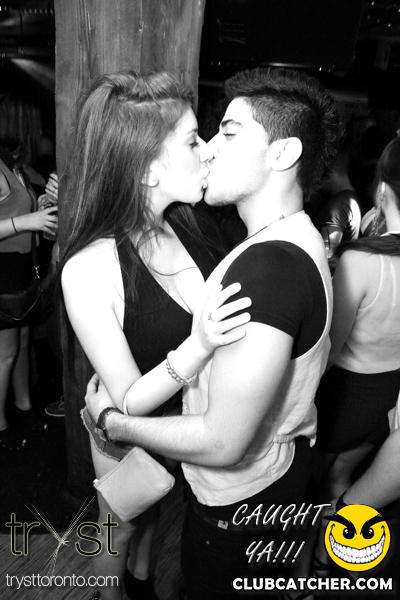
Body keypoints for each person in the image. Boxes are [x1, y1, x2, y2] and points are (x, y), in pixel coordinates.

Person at [85, 66, 342, 599]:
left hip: (239, 504)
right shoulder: (278, 239)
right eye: (198, 137)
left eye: (227, 132)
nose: (209, 149)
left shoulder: (266, 268)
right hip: (267, 480)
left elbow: (223, 441)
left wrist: (113, 422)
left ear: (282, 154)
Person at [59, 71, 251, 600]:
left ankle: (142, 585)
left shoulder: (189, 223)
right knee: (118, 529)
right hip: (125, 431)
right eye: (192, 141)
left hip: (184, 425)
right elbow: (126, 402)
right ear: (147, 170)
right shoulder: (90, 267)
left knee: (156, 512)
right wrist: (201, 344)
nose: (208, 150)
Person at [315, 136, 400, 500]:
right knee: (341, 482)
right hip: (389, 397)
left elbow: (329, 349)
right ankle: (340, 537)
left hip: (346, 397)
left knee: (310, 488)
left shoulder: (361, 261)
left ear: (381, 189)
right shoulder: (367, 254)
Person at [0, 94, 58, 451]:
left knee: (21, 343)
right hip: (3, 271)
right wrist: (29, 221)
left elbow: (20, 211)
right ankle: (1, 425)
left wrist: (43, 203)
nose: (37, 132)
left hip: (20, 267)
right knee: (6, 352)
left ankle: (24, 406)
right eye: (32, 125)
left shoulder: (13, 164)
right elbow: (18, 221)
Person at [314, 144, 361, 272]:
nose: (317, 178)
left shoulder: (337, 206)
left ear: (329, 171)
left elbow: (327, 257)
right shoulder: (350, 198)